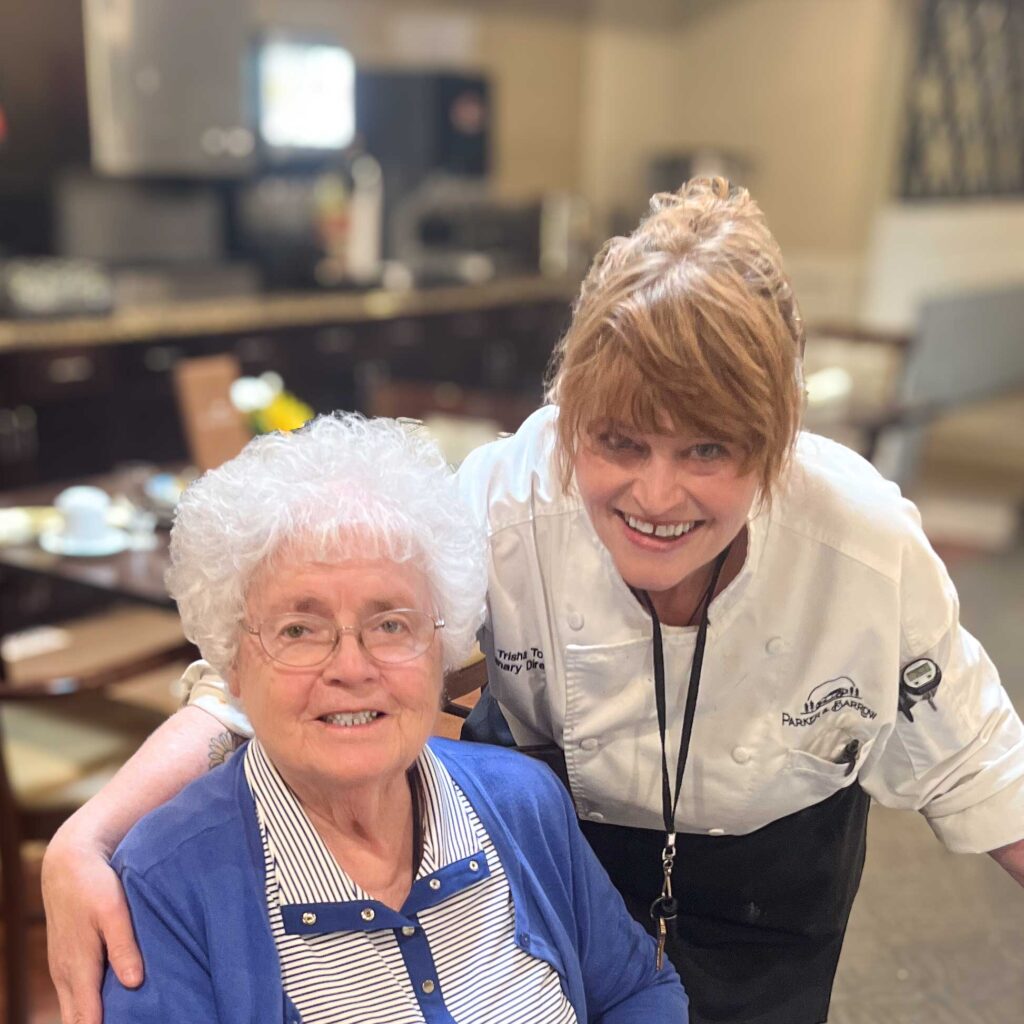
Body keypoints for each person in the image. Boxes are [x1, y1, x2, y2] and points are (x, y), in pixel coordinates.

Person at [45, 179, 1024, 1024]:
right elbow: (296, 666)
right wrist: (93, 833)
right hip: (556, 860)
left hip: (775, 887)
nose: (655, 495)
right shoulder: (506, 501)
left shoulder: (860, 546)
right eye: (619, 444)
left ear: (773, 447)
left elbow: (986, 767)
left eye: (708, 452)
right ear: (570, 423)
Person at [100, 413, 687, 1023]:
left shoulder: (523, 804)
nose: (351, 668)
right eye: (300, 629)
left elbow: (636, 991)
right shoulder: (165, 885)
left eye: (390, 624)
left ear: (442, 646)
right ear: (234, 662)